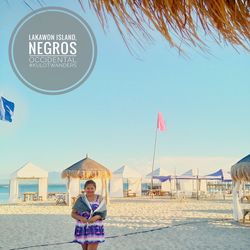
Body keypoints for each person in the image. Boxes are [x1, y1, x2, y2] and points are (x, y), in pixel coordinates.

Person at [71, 180, 107, 250]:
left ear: (95, 189)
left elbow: (103, 213)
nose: (90, 190)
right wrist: (81, 218)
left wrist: (96, 217)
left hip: (95, 228)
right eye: (88, 188)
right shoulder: (80, 199)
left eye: (92, 188)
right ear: (84, 189)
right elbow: (73, 214)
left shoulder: (100, 198)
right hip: (82, 228)